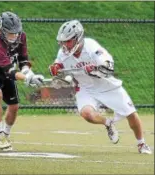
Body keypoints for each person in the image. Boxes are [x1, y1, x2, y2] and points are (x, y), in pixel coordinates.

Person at [49, 20, 152, 154]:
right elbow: (59, 66)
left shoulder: (91, 46)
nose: (65, 45)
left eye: (68, 41)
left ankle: (142, 144)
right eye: (63, 42)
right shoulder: (63, 53)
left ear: (78, 38)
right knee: (86, 114)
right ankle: (107, 123)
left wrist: (95, 68)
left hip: (106, 85)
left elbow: (109, 67)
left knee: (131, 113)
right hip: (86, 88)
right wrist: (55, 69)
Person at [0, 11, 44, 151]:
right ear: (2, 30)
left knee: (14, 106)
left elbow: (23, 59)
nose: (14, 36)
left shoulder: (21, 36)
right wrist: (27, 78)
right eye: (10, 33)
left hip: (6, 72)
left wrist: (28, 73)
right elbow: (10, 71)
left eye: (16, 32)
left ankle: (6, 134)